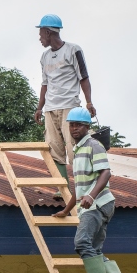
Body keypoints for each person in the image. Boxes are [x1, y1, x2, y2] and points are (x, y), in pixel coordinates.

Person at [52, 107, 130, 273]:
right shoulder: (78, 151)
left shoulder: (94, 145)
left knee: (82, 243)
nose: (74, 128)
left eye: (78, 125)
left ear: (87, 126)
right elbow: (80, 188)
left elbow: (105, 173)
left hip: (98, 204)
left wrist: (91, 196)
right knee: (93, 249)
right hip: (93, 204)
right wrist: (67, 210)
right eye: (72, 125)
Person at [33, 14, 96, 199]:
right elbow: (44, 84)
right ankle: (62, 189)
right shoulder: (44, 57)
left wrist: (89, 102)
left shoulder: (73, 50)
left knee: (73, 148)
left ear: (48, 32)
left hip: (69, 106)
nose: (39, 38)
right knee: (53, 148)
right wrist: (39, 108)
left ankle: (82, 189)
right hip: (50, 109)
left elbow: (83, 77)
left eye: (40, 34)